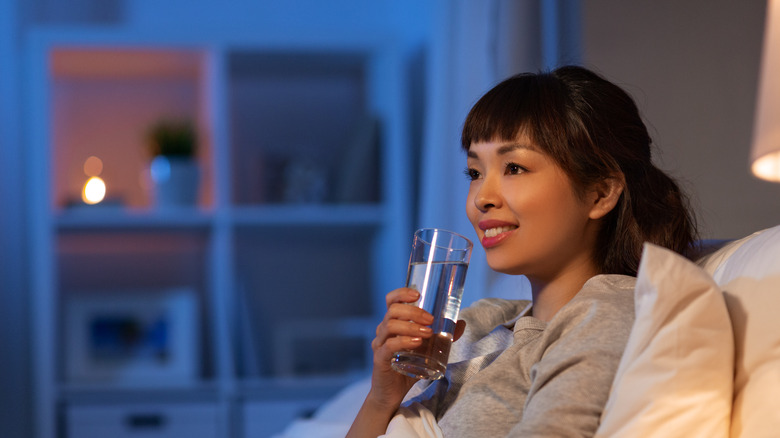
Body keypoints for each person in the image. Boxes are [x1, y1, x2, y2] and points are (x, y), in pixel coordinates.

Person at [347, 65, 697, 437]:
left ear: (601, 193)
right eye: (474, 172)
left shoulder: (607, 315)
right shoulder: (479, 324)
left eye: (514, 167)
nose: (482, 198)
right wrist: (382, 398)